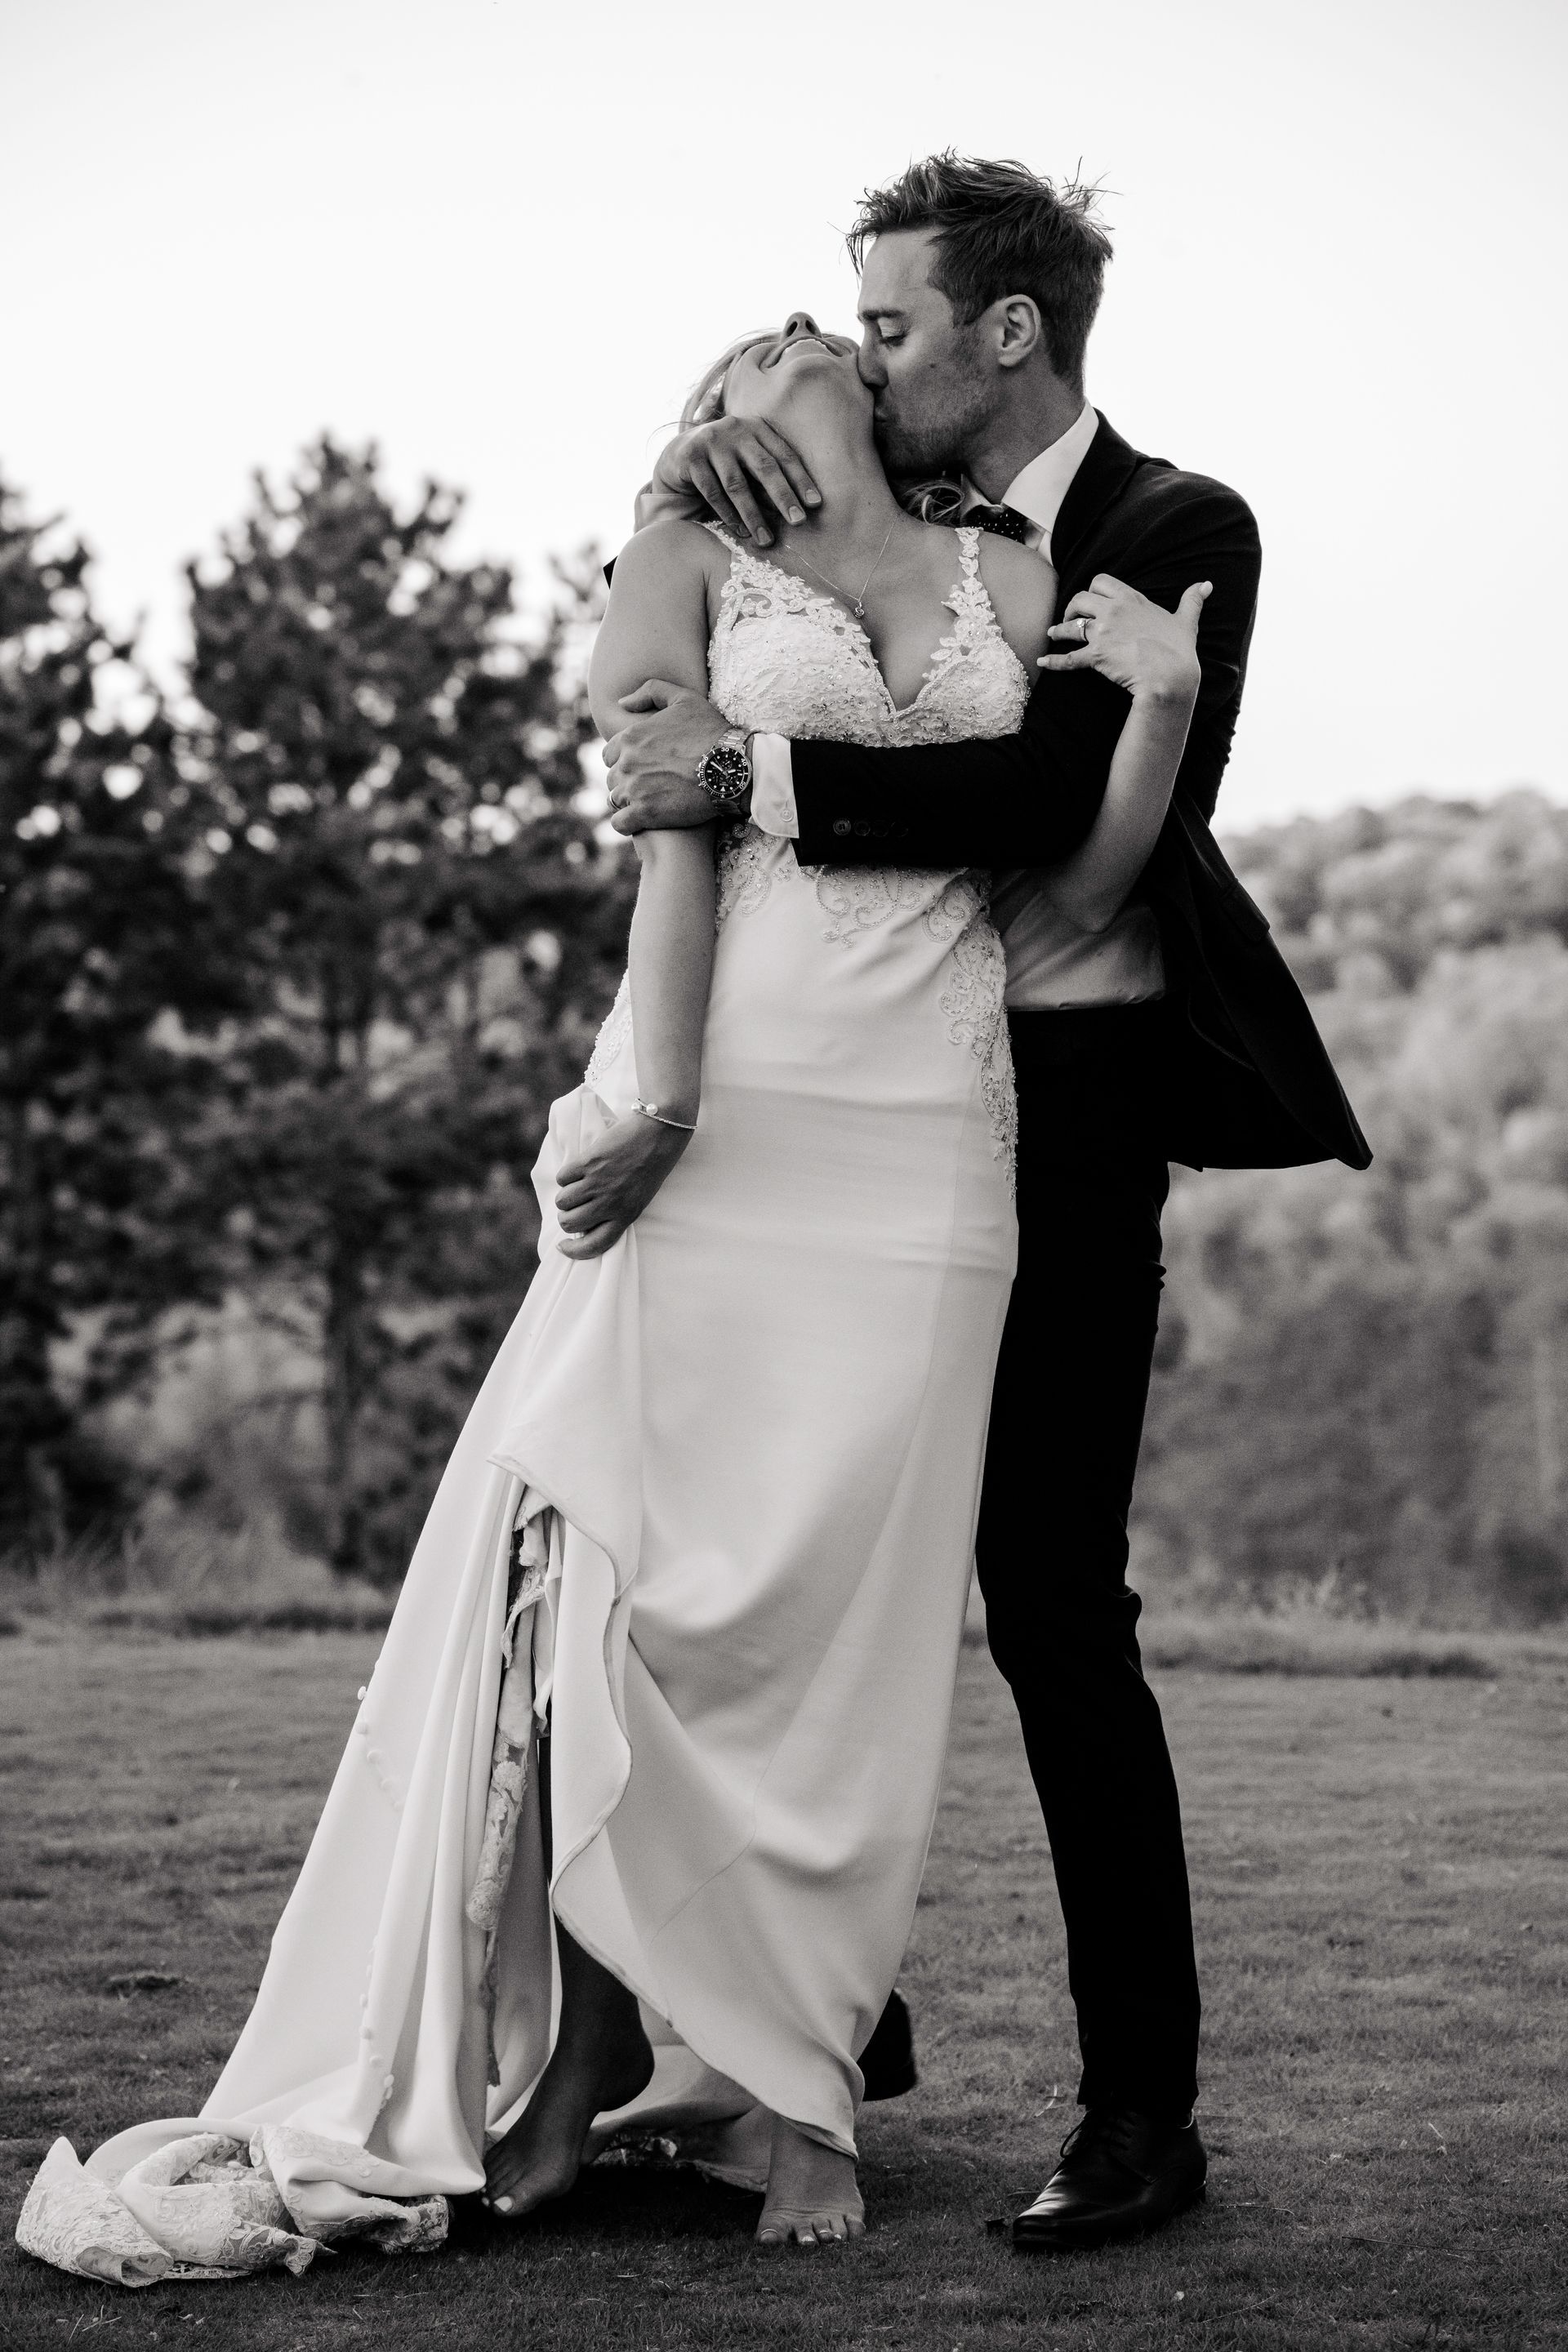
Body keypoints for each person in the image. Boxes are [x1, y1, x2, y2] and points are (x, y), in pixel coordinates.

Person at [16, 315, 1208, 2286]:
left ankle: (804, 2091)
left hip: (931, 1143)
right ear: (715, 417)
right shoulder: (676, 565)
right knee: (612, 1596)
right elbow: (672, 837)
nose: (792, 357)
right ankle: (572, 2061)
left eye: (833, 332)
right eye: (751, 360)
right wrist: (657, 1099)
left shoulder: (1014, 573)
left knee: (849, 1637)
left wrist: (1154, 711)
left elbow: (1068, 867)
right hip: (727, 1105)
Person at [605, 154, 1370, 2255]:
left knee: (1050, 1607)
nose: (864, 354)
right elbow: (761, 631)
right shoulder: (859, 519)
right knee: (777, 1572)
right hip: (834, 1122)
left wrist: (745, 777)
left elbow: (1052, 810)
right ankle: (792, 2034)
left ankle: (1143, 2113)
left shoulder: (1171, 530)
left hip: (1062, 1128)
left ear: (1004, 331)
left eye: (891, 325)